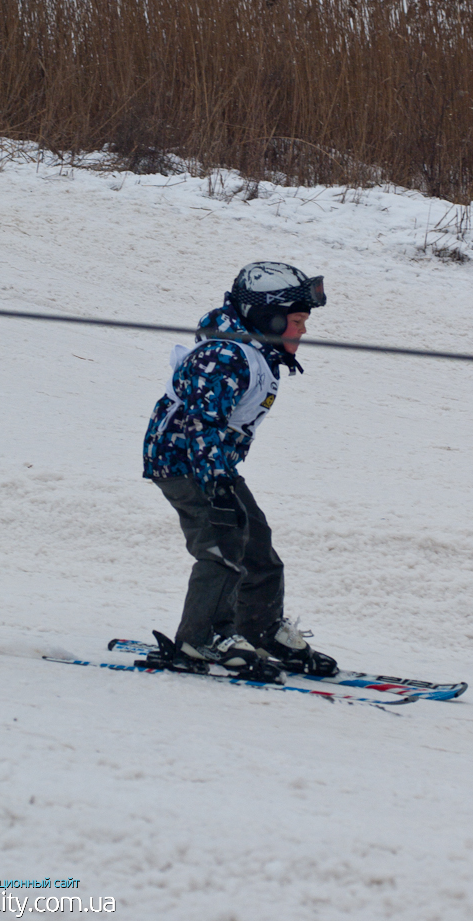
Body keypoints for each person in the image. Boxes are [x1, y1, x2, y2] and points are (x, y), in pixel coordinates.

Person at [142, 262, 338, 682]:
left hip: (210, 462)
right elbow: (200, 422)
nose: (303, 330)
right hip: (184, 461)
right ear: (268, 317)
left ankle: (260, 630)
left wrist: (221, 475)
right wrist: (215, 483)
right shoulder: (225, 354)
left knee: (256, 541)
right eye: (297, 321)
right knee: (222, 544)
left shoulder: (251, 350)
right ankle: (203, 637)